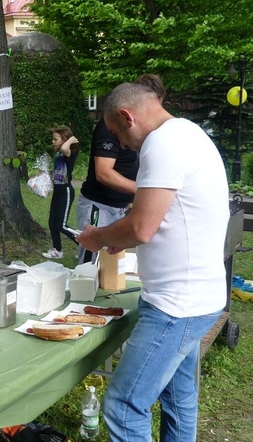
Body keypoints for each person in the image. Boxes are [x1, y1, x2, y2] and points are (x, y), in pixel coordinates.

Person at [76, 83, 229, 441]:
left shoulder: (163, 144)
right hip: (196, 296)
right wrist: (121, 236)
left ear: (127, 117)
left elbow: (142, 229)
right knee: (179, 397)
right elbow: (161, 220)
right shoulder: (188, 133)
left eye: (117, 133)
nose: (123, 145)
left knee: (124, 405)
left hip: (177, 305)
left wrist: (98, 237)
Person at [75, 74, 165, 263]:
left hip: (121, 207)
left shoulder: (161, 139)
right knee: (91, 264)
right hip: (100, 205)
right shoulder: (111, 124)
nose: (123, 145)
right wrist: (143, 191)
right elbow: (103, 172)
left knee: (115, 265)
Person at [41, 126, 80, 259]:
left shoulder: (69, 152)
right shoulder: (58, 154)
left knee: (61, 225)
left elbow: (65, 148)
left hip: (66, 191)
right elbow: (58, 172)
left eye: (55, 139)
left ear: (65, 140)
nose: (53, 141)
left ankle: (85, 244)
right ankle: (57, 250)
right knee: (52, 222)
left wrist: (71, 140)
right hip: (57, 192)